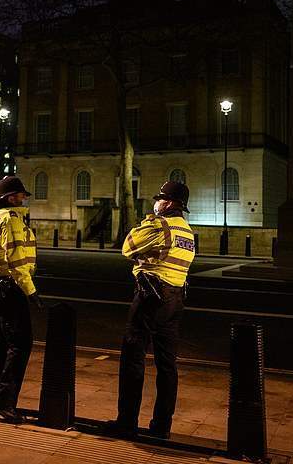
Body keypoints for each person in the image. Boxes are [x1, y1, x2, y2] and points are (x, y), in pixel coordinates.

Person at [110, 180, 196, 440]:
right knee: (167, 364)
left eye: (159, 199)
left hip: (151, 297)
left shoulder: (160, 226)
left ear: (168, 203)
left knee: (133, 358)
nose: (155, 203)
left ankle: (126, 422)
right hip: (175, 299)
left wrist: (149, 221)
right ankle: (162, 425)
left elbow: (127, 246)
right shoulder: (187, 231)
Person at [0, 175, 43, 423]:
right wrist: (31, 291)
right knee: (21, 344)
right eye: (21, 195)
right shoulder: (11, 220)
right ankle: (4, 402)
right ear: (10, 198)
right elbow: (17, 260)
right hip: (11, 286)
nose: (24, 198)